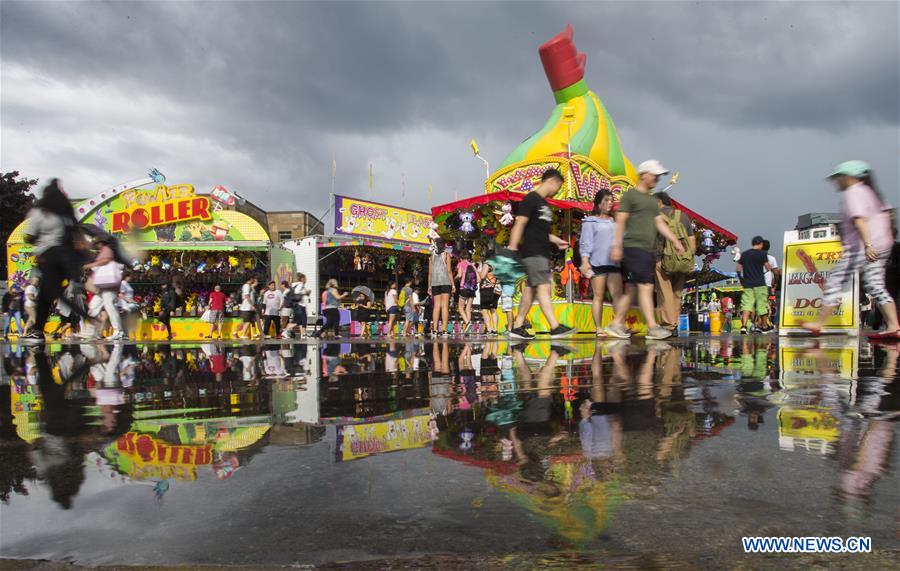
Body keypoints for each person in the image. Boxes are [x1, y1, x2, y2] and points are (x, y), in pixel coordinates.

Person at [804, 161, 899, 337]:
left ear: (848, 178)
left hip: (860, 247)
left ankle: (819, 323)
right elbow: (888, 216)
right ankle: (894, 326)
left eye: (838, 178)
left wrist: (868, 244)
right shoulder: (872, 193)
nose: (836, 182)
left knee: (834, 281)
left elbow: (859, 219)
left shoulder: (853, 193)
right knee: (875, 284)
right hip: (882, 244)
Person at [607, 160, 686, 340]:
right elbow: (620, 220)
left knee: (634, 288)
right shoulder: (631, 196)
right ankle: (652, 327)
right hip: (634, 247)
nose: (657, 179)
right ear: (644, 175)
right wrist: (617, 245)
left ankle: (616, 323)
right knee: (646, 286)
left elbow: (659, 223)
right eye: (655, 175)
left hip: (646, 249)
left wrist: (675, 240)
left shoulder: (651, 201)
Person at [506, 168, 576, 339]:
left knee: (531, 289)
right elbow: (520, 222)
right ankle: (555, 326)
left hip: (541, 251)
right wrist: (513, 246)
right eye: (558, 187)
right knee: (544, 287)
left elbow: (539, 230)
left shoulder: (544, 204)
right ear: (552, 181)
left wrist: (555, 239)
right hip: (533, 252)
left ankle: (517, 326)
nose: (557, 191)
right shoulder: (531, 199)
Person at [20, 179, 92, 343]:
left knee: (46, 296)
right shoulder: (66, 215)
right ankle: (82, 315)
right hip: (66, 256)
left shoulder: (40, 212)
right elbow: (76, 236)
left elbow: (29, 236)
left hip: (48, 256)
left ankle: (38, 331)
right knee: (53, 292)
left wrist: (38, 242)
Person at [579, 189, 623, 337]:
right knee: (598, 296)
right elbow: (586, 243)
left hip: (613, 263)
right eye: (606, 200)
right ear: (599, 203)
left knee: (617, 294)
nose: (610, 203)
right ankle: (598, 328)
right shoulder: (590, 221)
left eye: (611, 200)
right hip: (597, 263)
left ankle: (618, 325)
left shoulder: (614, 221)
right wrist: (585, 261)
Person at [654, 192, 696, 332]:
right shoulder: (683, 216)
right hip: (682, 259)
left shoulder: (656, 215)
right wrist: (689, 258)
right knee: (677, 293)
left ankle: (668, 325)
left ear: (659, 202)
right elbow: (692, 240)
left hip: (662, 258)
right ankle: (675, 323)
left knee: (664, 292)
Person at [82, 237, 125, 340]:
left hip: (109, 285)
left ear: (101, 242)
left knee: (110, 307)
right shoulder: (102, 251)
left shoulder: (107, 249)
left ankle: (118, 331)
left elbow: (106, 260)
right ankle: (91, 332)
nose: (96, 246)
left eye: (97, 243)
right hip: (103, 286)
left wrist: (90, 265)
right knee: (93, 307)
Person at [737, 236, 772, 334]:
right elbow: (768, 267)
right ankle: (764, 326)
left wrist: (742, 280)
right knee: (761, 305)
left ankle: (743, 326)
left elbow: (738, 269)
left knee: (747, 306)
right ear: (761, 244)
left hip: (748, 284)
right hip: (760, 284)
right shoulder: (762, 254)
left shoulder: (744, 254)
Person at [428, 239, 454, 336]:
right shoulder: (446, 255)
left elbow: (430, 273)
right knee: (444, 306)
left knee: (436, 306)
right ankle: (444, 330)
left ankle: (434, 330)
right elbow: (449, 271)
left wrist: (429, 286)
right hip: (445, 282)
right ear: (444, 246)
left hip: (435, 283)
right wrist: (453, 284)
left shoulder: (431, 257)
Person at [282, 273, 311, 339]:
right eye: (305, 278)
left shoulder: (294, 285)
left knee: (301, 321)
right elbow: (297, 292)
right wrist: (306, 292)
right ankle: (285, 332)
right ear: (302, 278)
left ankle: (303, 334)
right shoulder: (300, 284)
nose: (306, 280)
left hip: (297, 305)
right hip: (299, 305)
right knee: (299, 321)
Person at [456, 251, 478, 333]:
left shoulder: (461, 264)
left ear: (460, 258)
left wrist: (454, 279)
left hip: (464, 288)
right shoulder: (472, 265)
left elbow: (459, 275)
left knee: (460, 308)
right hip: (472, 289)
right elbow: (478, 279)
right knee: (468, 309)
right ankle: (469, 330)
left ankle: (468, 323)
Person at [761, 239, 780, 331]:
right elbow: (776, 273)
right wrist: (775, 282)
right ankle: (764, 325)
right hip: (766, 284)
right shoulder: (771, 259)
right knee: (763, 304)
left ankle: (753, 324)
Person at [479, 262, 500, 336]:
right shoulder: (498, 263)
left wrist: (478, 272)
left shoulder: (487, 263)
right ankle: (495, 330)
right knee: (493, 309)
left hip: (487, 289)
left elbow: (482, 276)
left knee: (484, 310)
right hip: (496, 289)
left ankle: (489, 330)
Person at [117, 272, 139, 339]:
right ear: (126, 276)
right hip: (124, 304)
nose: (131, 278)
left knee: (126, 319)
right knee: (125, 319)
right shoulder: (123, 283)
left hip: (129, 303)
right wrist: (129, 300)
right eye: (130, 276)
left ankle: (126, 333)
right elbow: (120, 294)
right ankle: (125, 333)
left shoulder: (127, 284)